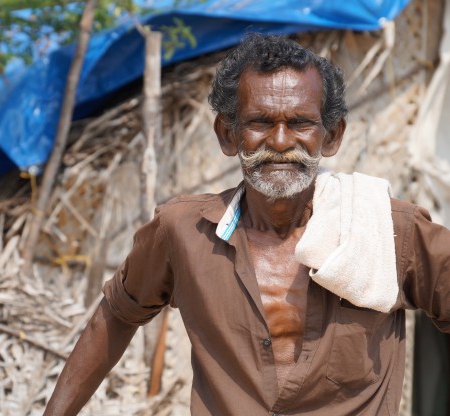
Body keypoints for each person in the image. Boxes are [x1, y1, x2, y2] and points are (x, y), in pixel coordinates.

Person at [44, 33, 450, 415]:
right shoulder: (183, 231)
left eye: (300, 123)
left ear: (331, 136)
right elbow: (115, 315)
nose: (278, 141)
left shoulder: (387, 231)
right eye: (259, 122)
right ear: (228, 134)